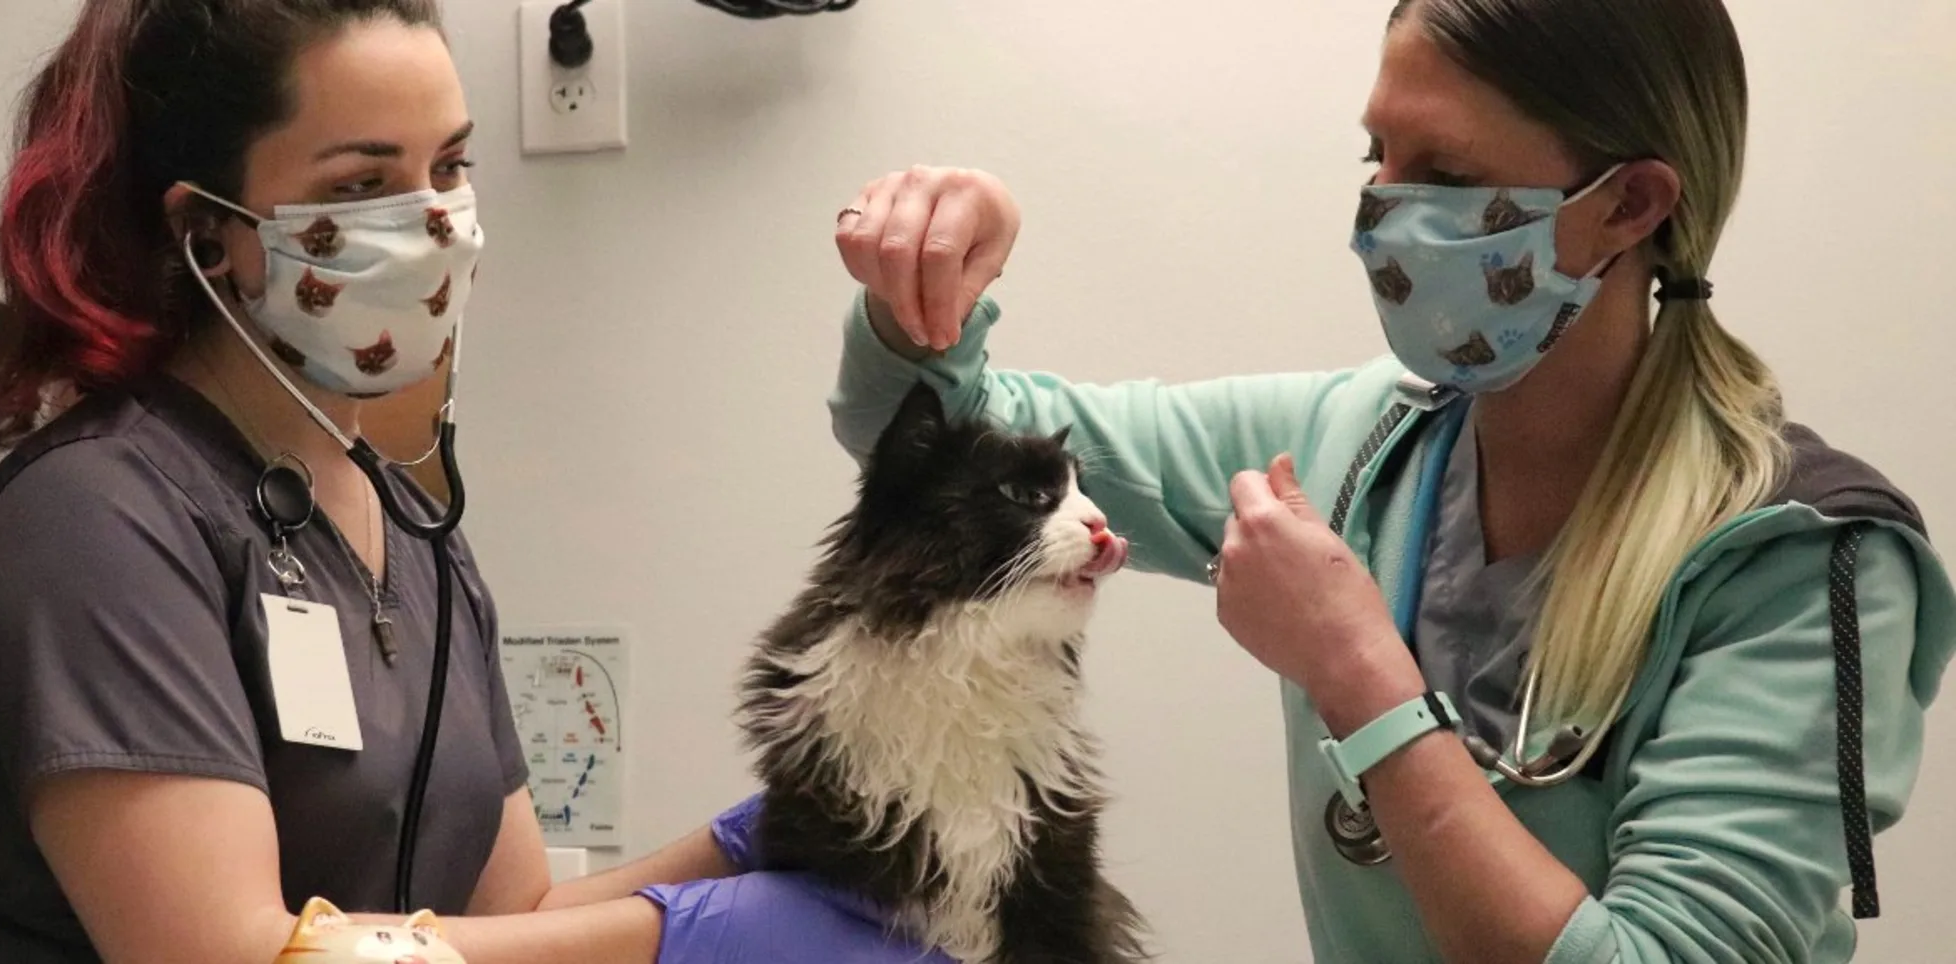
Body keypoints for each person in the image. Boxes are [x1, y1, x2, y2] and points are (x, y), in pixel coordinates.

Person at [821, 1, 1953, 961]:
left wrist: (1358, 673)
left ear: (1629, 205)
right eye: (1379, 160)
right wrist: (928, 291)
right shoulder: (1353, 442)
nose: (1383, 219)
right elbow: (920, 445)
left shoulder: (1800, 556)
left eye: (1449, 175)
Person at [0, 1, 943, 962]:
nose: (434, 226)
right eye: (362, 185)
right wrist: (673, 939)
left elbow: (516, 920)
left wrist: (750, 846)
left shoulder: (409, 525)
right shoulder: (96, 514)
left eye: (449, 168)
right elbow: (215, 948)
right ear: (209, 234)